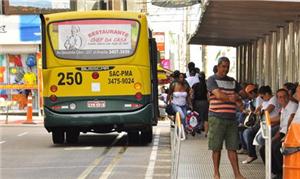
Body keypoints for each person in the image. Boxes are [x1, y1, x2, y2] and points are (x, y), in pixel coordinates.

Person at [206, 57, 246, 179]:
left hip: (231, 118)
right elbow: (218, 94)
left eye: (227, 67)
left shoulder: (233, 81)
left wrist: (239, 96)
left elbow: (243, 93)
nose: (225, 69)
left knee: (232, 147)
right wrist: (232, 98)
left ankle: (237, 174)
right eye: (223, 66)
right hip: (216, 117)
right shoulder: (211, 79)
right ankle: (216, 173)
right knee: (216, 147)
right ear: (218, 66)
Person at [269, 89, 297, 178]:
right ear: (277, 99)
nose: (283, 99)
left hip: (290, 133)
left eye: (285, 96)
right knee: (264, 148)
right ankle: (276, 172)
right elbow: (281, 125)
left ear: (288, 96)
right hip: (282, 132)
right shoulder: (283, 108)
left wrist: (284, 136)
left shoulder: (293, 106)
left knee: (276, 148)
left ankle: (281, 173)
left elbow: (291, 122)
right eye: (280, 97)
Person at [241, 84, 263, 164]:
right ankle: (247, 150)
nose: (248, 96)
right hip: (257, 122)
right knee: (243, 130)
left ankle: (251, 154)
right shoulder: (254, 100)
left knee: (247, 132)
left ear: (253, 93)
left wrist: (252, 112)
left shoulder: (259, 99)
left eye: (249, 94)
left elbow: (257, 113)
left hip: (261, 123)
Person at [192, 71, 208, 136]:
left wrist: (192, 102)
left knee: (196, 116)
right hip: (205, 102)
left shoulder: (195, 85)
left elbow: (192, 95)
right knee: (204, 117)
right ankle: (204, 130)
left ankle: (195, 128)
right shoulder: (207, 85)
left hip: (196, 102)